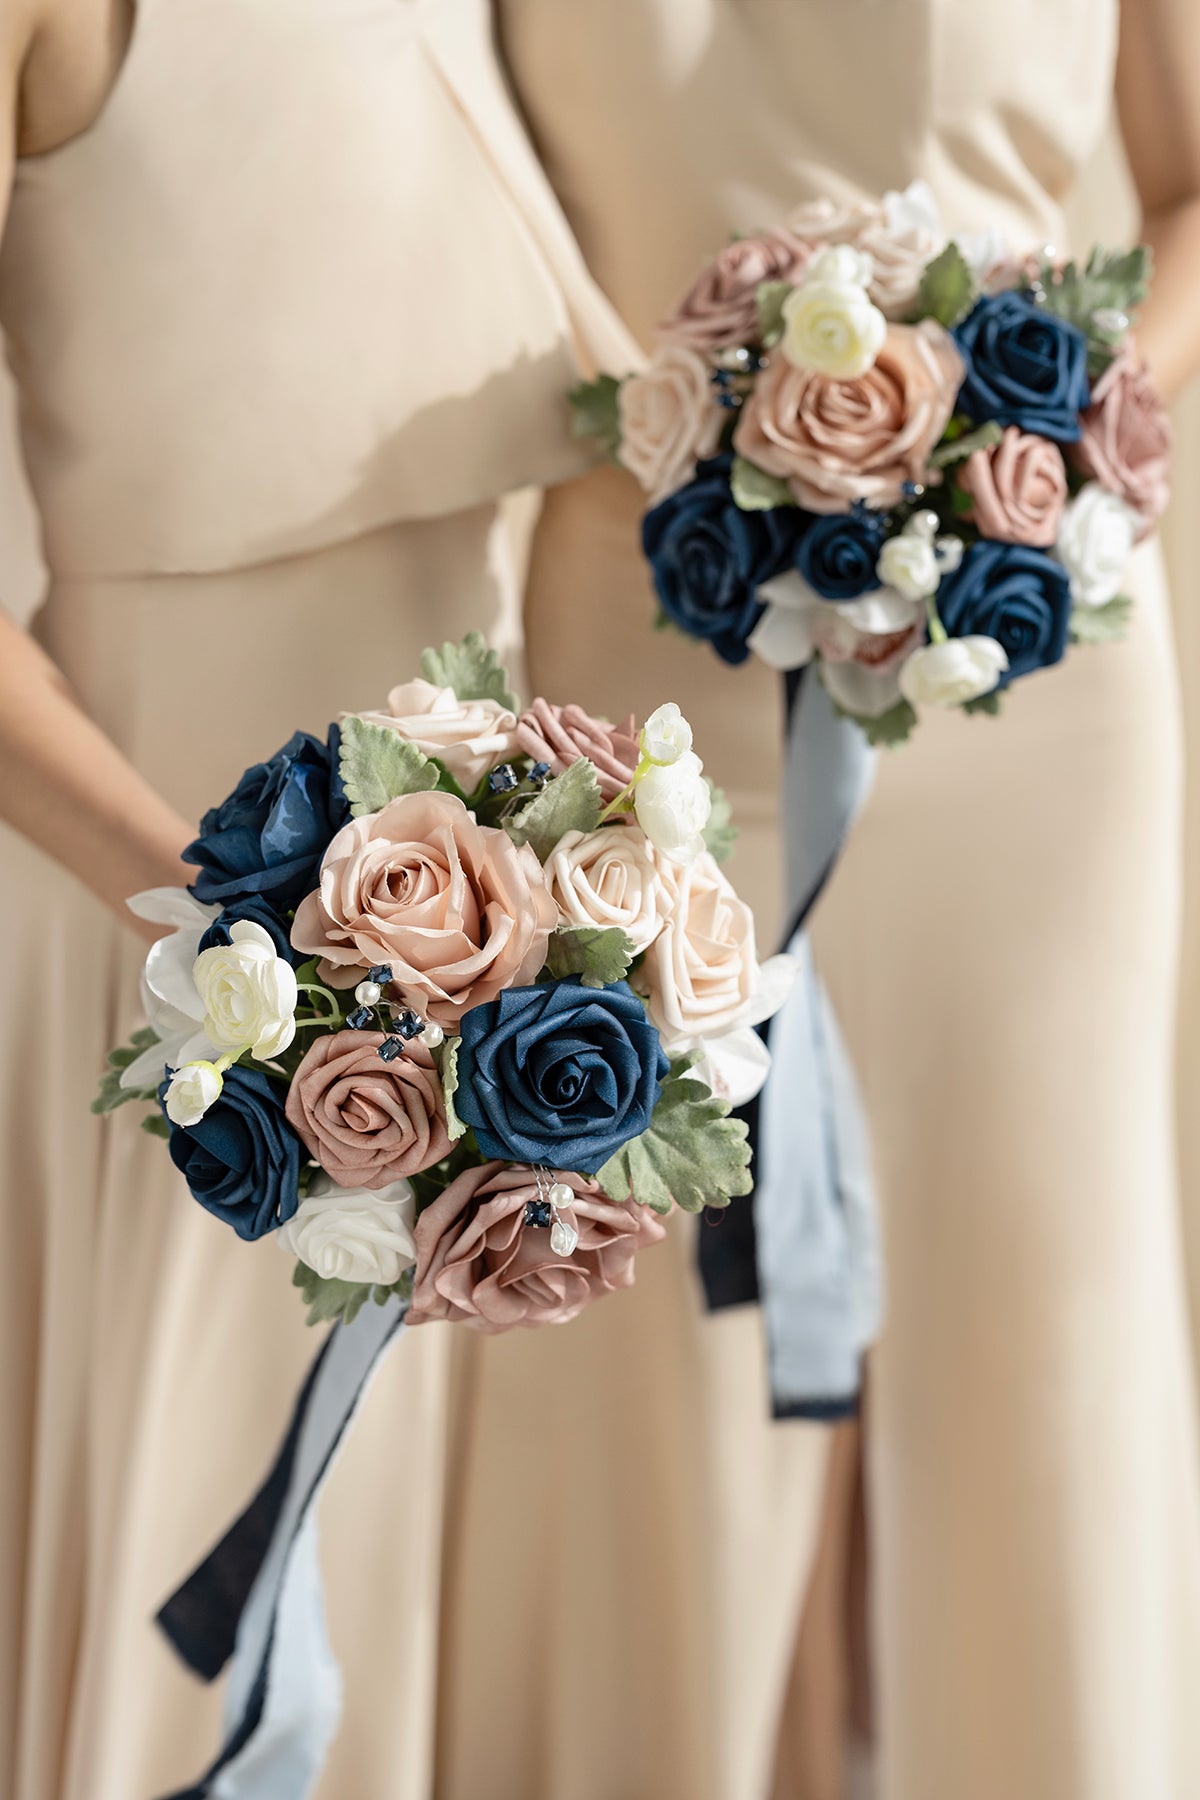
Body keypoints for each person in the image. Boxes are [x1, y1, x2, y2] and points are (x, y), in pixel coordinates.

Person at [0, 3, 834, 1796]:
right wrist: (257, 961)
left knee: (369, 1555)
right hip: (175, 888)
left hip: (467, 905)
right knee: (200, 1509)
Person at [496, 2, 1200, 1796]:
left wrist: (1030, 422)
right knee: (655, 1365)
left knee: (1042, 1331)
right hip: (639, 676)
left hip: (1019, 657)